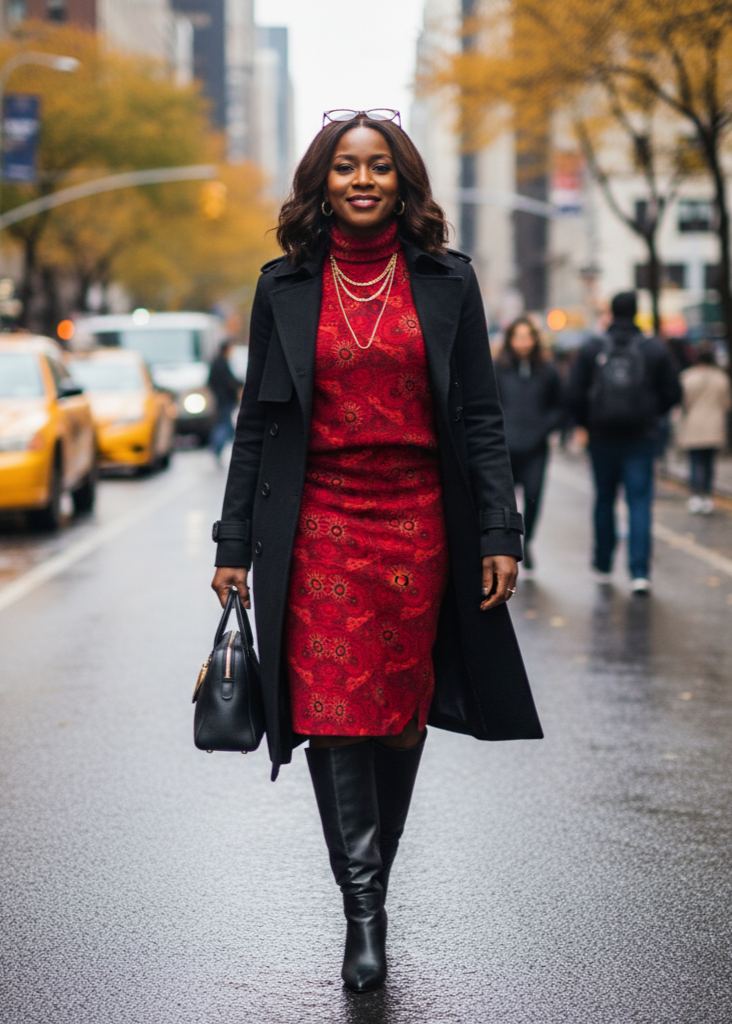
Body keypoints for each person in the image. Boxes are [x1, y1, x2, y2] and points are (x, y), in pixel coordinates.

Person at [210, 110, 542, 994]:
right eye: (346, 167)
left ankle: (372, 882)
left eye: (380, 167)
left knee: (395, 717)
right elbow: (255, 424)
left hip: (418, 521)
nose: (363, 180)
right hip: (316, 520)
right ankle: (364, 915)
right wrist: (234, 540)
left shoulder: (447, 282)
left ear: (403, 181)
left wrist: (503, 532)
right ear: (322, 181)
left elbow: (479, 415)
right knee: (329, 709)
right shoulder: (283, 285)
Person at [567, 291, 681, 594]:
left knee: (604, 498)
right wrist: (653, 414)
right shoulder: (653, 348)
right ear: (636, 312)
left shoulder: (593, 347)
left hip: (602, 437)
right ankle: (639, 572)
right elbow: (673, 392)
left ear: (610, 313)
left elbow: (574, 393)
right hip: (641, 438)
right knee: (639, 502)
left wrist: (584, 423)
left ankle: (604, 564)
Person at [495, 317, 562, 577]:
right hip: (505, 447)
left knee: (533, 497)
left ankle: (528, 541)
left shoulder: (548, 370)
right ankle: (507, 548)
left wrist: (545, 427)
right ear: (510, 339)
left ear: (535, 339)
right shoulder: (498, 368)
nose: (523, 342)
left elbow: (558, 404)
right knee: (505, 502)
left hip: (536, 447)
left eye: (527, 337)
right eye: (518, 337)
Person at [677, 343, 731, 514]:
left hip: (693, 424)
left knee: (695, 461)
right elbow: (727, 403)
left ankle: (695, 495)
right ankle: (707, 495)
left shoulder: (687, 377)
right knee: (709, 463)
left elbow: (682, 402)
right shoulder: (721, 378)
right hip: (714, 424)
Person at [208, 340, 241, 461]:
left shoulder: (218, 363)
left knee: (226, 425)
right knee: (225, 425)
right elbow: (230, 381)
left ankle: (219, 448)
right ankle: (216, 447)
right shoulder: (221, 363)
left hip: (222, 400)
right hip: (225, 400)